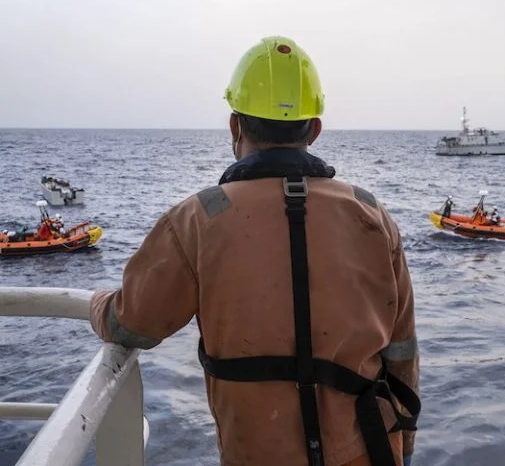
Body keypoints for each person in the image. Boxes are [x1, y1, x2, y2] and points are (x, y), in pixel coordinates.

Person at [88, 36, 420, 466]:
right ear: (314, 130)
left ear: (235, 126)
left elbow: (132, 326)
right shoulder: (373, 215)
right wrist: (404, 447)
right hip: (370, 451)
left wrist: (97, 304)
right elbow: (402, 350)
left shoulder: (198, 218)